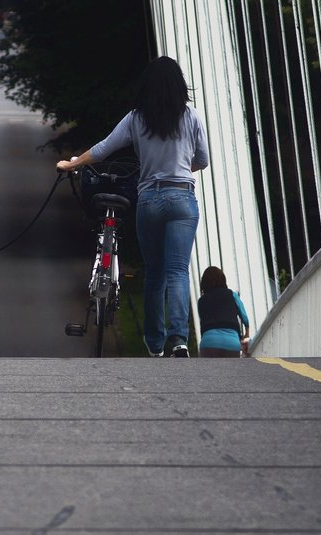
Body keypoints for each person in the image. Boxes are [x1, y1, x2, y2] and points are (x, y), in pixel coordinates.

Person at [56, 55, 209, 358]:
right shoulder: (191, 116)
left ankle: (154, 345)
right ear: (179, 86)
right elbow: (202, 161)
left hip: (149, 199)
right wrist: (177, 169)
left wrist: (71, 164)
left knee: (153, 274)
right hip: (181, 198)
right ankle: (180, 341)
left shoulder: (137, 118)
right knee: (178, 271)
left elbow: (102, 150)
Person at [197, 266, 250, 358]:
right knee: (230, 372)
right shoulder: (232, 295)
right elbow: (244, 318)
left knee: (209, 372)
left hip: (209, 342)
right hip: (231, 342)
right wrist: (246, 335)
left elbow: (203, 321)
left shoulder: (201, 301)